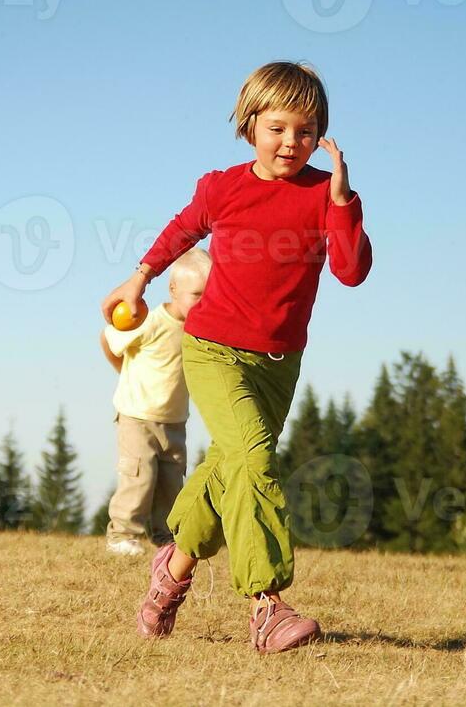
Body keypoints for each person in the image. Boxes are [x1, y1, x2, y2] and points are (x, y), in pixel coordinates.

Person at [99, 61, 371, 654]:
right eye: (277, 128)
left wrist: (343, 197)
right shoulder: (222, 187)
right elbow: (181, 230)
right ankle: (266, 606)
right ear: (250, 126)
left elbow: (351, 273)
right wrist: (139, 277)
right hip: (214, 349)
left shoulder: (328, 197)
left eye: (305, 131)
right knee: (253, 460)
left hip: (279, 363)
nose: (291, 143)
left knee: (229, 469)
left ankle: (169, 575)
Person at [99, 248, 211, 557]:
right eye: (196, 294)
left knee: (171, 481)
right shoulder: (151, 321)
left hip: (175, 419)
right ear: (173, 289)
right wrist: (122, 371)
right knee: (139, 476)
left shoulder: (200, 329)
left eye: (208, 295)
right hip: (137, 415)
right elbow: (109, 339)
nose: (202, 302)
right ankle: (123, 534)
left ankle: (166, 537)